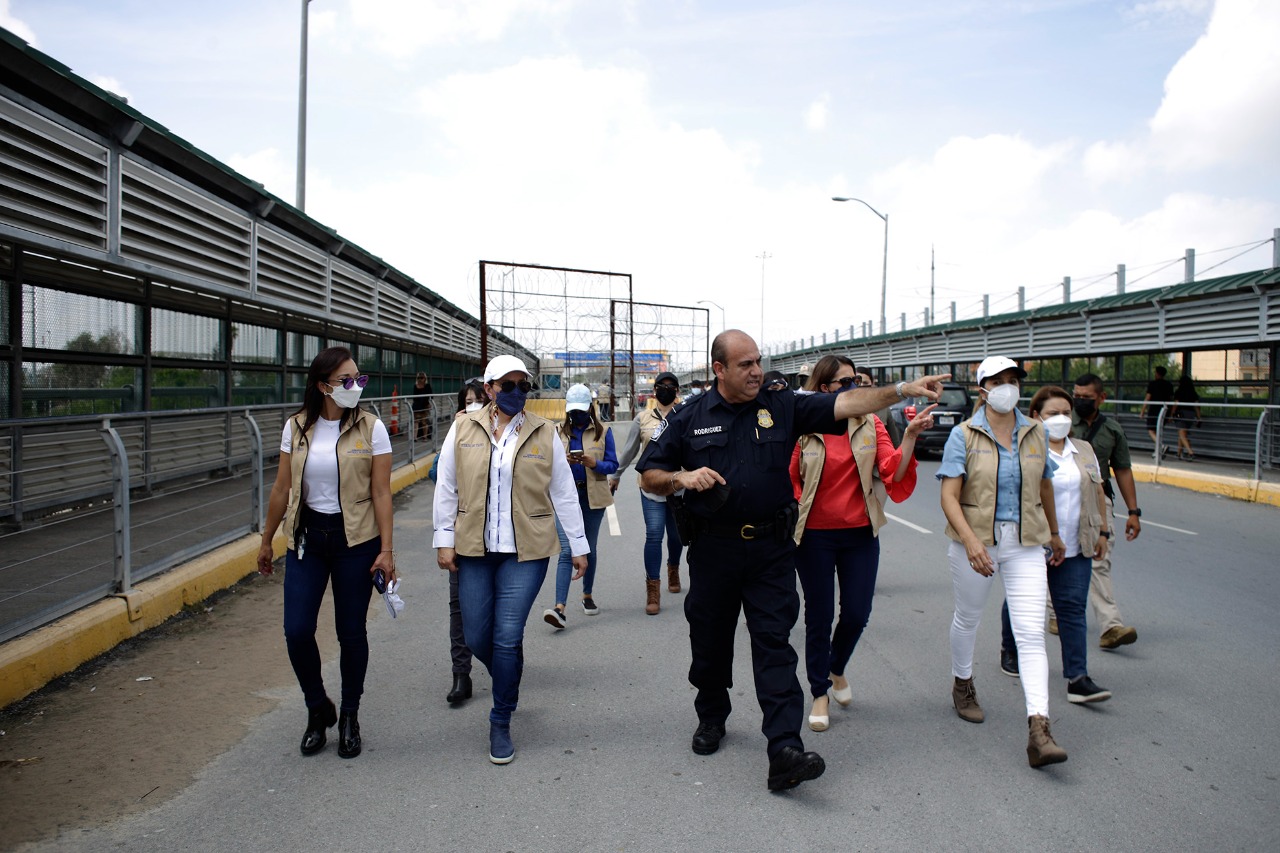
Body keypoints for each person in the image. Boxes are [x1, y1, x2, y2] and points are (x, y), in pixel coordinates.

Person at [636, 329, 948, 792]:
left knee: (774, 644)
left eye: (758, 362)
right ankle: (712, 716)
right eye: (745, 365)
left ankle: (784, 747)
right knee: (710, 640)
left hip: (770, 550)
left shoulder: (781, 405)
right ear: (719, 369)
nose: (757, 371)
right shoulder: (689, 416)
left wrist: (900, 390)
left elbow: (845, 405)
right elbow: (649, 476)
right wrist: (682, 477)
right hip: (714, 551)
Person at [433, 355, 589, 764]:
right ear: (489, 388)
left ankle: (500, 718)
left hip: (527, 550)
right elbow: (447, 486)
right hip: (474, 548)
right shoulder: (463, 427)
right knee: (476, 635)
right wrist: (443, 540)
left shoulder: (543, 432)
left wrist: (579, 545)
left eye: (524, 386)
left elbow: (563, 492)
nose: (517, 392)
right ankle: (509, 670)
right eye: (508, 385)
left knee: (505, 635)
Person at [257, 346, 395, 759]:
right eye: (346, 381)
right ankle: (318, 707)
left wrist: (387, 551)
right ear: (322, 386)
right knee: (297, 630)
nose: (356, 387)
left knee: (350, 632)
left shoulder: (372, 429)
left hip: (357, 541)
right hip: (307, 540)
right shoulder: (296, 427)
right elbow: (282, 488)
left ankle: (350, 714)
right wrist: (266, 539)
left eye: (360, 379)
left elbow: (382, 492)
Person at [789, 355, 933, 733]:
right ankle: (819, 691)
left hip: (859, 534)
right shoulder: (803, 427)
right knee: (818, 617)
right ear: (824, 389)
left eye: (857, 380)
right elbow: (788, 479)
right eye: (844, 382)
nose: (855, 387)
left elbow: (891, 471)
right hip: (815, 536)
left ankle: (836, 668)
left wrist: (911, 436)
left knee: (856, 613)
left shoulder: (871, 423)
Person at [938, 355, 1068, 768]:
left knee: (1030, 633)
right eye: (1000, 380)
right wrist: (971, 541)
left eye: (1014, 379)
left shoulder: (1035, 433)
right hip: (976, 541)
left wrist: (1054, 532)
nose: (1009, 386)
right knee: (968, 618)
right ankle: (963, 684)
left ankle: (1039, 728)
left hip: (1025, 541)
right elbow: (948, 495)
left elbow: (1045, 482)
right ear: (983, 389)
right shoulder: (963, 435)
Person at [998, 385, 1114, 705]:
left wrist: (1102, 532)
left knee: (1072, 609)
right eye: (1053, 413)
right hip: (1033, 543)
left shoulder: (1084, 450)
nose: (1061, 419)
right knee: (1023, 602)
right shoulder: (1022, 449)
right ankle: (1010, 646)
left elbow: (1098, 493)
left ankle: (1077, 677)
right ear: (1036, 416)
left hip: (1076, 544)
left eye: (1066, 412)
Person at [1070, 374, 1142, 650]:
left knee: (1100, 559)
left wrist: (1134, 511)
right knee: (1055, 556)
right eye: (1077, 395)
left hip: (1098, 499)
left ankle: (1110, 625)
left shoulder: (1112, 429)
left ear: (1101, 398)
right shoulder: (1061, 421)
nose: (1080, 402)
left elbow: (1122, 470)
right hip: (1059, 498)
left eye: (1087, 397)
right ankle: (1054, 612)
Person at [542, 384, 618, 628]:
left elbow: (613, 465)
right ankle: (559, 607)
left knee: (588, 549)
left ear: (590, 408)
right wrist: (561, 462)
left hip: (592, 497)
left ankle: (587, 595)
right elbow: (545, 465)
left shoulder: (603, 431)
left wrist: (594, 463)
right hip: (565, 498)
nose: (577, 415)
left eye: (581, 410)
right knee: (567, 550)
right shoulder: (556, 432)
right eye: (573, 411)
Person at [611, 371, 685, 613]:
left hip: (677, 488)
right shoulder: (642, 419)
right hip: (650, 488)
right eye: (661, 386)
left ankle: (673, 568)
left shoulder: (685, 416)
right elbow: (630, 450)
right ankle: (653, 590)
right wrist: (617, 475)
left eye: (670, 386)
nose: (666, 389)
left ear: (677, 391)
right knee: (654, 534)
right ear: (655, 392)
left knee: (676, 537)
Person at [443, 379, 487, 706]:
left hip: (498, 535)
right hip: (462, 531)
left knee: (500, 606)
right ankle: (461, 673)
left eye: (478, 401)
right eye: (468, 401)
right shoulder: (457, 432)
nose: (473, 406)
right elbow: (438, 477)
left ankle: (506, 657)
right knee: (458, 605)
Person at [1140, 365, 1173, 450]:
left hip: (1154, 410)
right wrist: (1171, 414)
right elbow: (1171, 399)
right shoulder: (1169, 385)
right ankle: (1158, 451)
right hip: (1165, 410)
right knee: (1158, 431)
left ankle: (1161, 446)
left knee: (1151, 430)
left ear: (1157, 374)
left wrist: (1142, 411)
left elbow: (1148, 397)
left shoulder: (1153, 384)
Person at [1170, 374, 1201, 461]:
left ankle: (1191, 453)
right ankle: (1179, 453)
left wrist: (1172, 415)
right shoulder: (1193, 393)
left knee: (1182, 433)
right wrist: (1199, 418)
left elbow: (1175, 404)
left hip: (1180, 414)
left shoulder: (1179, 392)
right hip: (1190, 414)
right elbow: (1196, 406)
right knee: (1182, 433)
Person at [412, 371, 434, 442]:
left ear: (425, 378)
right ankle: (415, 437)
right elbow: (414, 397)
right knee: (416, 422)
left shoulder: (427, 386)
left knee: (424, 422)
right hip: (417, 406)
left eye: (421, 378)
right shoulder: (415, 386)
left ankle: (425, 437)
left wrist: (429, 403)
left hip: (424, 406)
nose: (420, 379)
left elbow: (431, 396)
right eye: (418, 378)